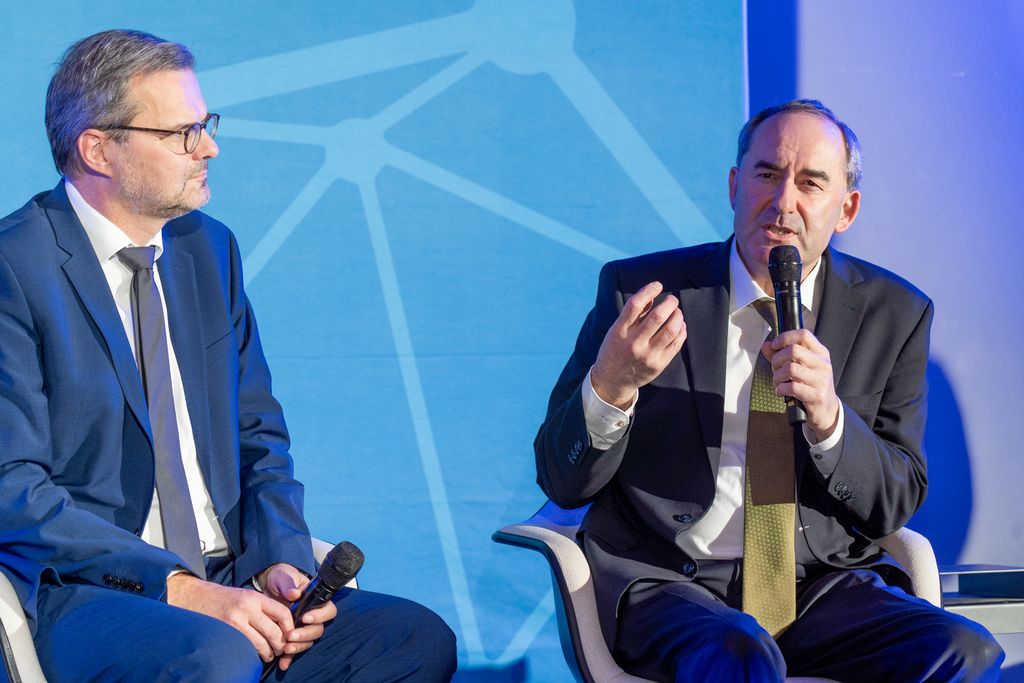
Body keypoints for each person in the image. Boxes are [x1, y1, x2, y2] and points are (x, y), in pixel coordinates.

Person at [0, 29, 456, 682]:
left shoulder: (208, 249)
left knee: (411, 637)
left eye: (205, 124)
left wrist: (282, 561)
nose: (208, 147)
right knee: (217, 656)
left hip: (232, 573)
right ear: (98, 148)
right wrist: (177, 585)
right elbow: (11, 488)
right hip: (88, 589)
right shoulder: (14, 266)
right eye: (182, 132)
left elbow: (258, 431)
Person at [534, 99, 1004, 681]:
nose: (784, 203)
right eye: (766, 175)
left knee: (967, 650)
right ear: (735, 186)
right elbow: (562, 478)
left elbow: (895, 500)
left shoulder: (894, 313)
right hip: (670, 584)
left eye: (811, 183)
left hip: (817, 587)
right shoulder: (642, 293)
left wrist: (831, 419)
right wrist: (611, 385)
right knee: (740, 652)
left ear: (846, 209)